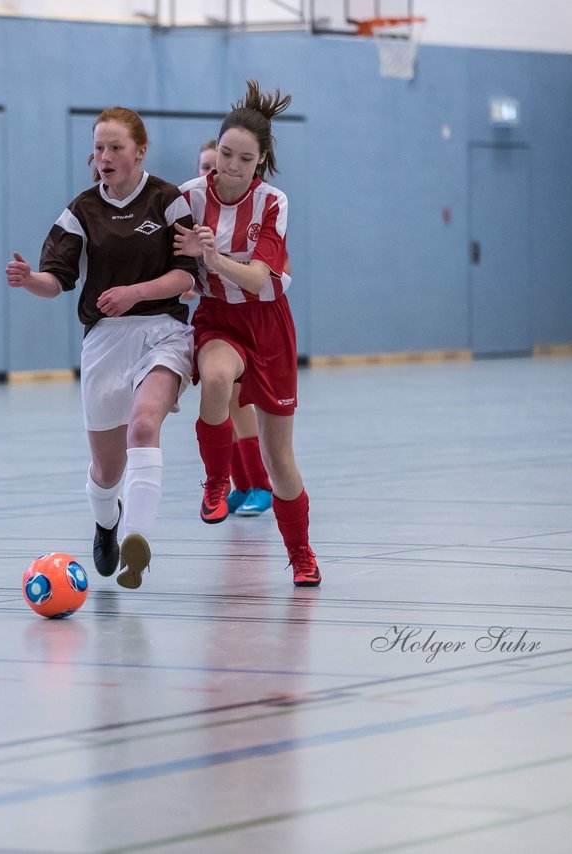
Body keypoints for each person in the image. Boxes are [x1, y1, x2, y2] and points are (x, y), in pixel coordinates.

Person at [6, 107, 196, 590]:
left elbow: (186, 277)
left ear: (139, 151)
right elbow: (58, 281)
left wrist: (135, 293)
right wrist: (31, 280)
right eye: (98, 148)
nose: (105, 157)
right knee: (107, 469)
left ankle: (137, 538)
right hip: (105, 341)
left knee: (144, 424)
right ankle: (107, 521)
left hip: (164, 330)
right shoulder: (82, 210)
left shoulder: (168, 200)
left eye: (115, 147)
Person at [174, 82, 321, 587]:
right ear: (214, 150)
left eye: (244, 159)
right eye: (225, 154)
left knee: (279, 459)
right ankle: (217, 482)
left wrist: (213, 259)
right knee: (215, 379)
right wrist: (188, 275)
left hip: (269, 326)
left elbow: (261, 280)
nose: (231, 166)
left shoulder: (273, 203)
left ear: (260, 162)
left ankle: (301, 553)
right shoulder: (188, 198)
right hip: (218, 319)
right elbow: (171, 261)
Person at [196, 138, 275, 519]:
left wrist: (221, 265)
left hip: (255, 324)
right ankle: (239, 484)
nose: (216, 171)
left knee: (241, 408)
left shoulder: (261, 216)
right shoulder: (195, 210)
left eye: (228, 160)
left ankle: (260, 483)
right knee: (221, 401)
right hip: (215, 320)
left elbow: (273, 276)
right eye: (205, 166)